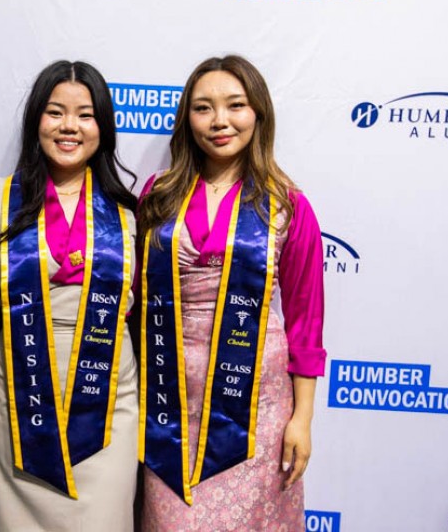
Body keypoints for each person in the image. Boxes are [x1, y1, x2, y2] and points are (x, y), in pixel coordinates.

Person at [137, 55, 326, 531]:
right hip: (169, 404)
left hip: (256, 412)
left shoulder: (288, 204)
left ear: (258, 112)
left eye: (235, 105)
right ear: (187, 119)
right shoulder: (158, 196)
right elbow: (134, 297)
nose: (220, 121)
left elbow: (306, 322)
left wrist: (302, 420)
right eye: (203, 108)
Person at [0, 60, 139, 532]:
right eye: (55, 112)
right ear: (35, 121)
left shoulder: (132, 210)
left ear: (102, 127)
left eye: (85, 115)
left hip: (108, 403)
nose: (69, 126)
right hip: (16, 394)